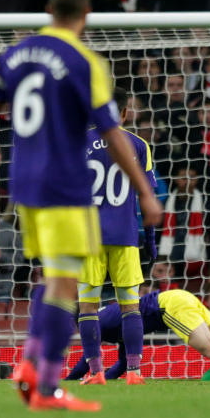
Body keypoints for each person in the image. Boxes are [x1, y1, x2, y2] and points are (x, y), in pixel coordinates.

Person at [0, 0, 163, 412]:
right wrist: (144, 190)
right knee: (64, 285)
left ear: (49, 10)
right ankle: (44, 387)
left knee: (55, 281)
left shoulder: (15, 54)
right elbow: (111, 133)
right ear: (86, 13)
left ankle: (29, 369)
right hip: (64, 184)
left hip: (24, 184)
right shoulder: (85, 61)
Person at [75, 89, 156, 386]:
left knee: (87, 306)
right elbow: (147, 196)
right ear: (124, 113)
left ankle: (96, 372)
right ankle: (133, 372)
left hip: (88, 237)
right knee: (130, 305)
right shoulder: (138, 145)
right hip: (125, 235)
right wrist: (151, 241)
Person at [65, 282, 210, 381]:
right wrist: (105, 380)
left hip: (168, 306)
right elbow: (124, 362)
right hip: (180, 297)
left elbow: (87, 361)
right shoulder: (112, 320)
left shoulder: (95, 323)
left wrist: (68, 380)